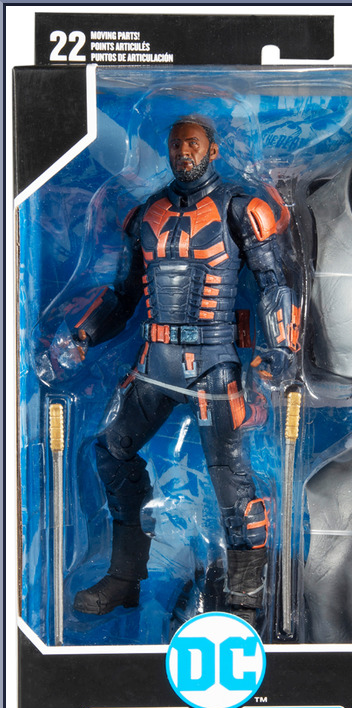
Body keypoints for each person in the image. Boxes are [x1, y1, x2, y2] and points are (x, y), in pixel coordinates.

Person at [71, 115, 300, 627]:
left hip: (212, 364)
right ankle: (125, 578)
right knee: (111, 451)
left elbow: (275, 283)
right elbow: (123, 297)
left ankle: (246, 601)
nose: (183, 153)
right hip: (155, 363)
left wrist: (282, 348)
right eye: (176, 145)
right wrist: (84, 336)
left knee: (232, 484)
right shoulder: (144, 215)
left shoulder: (240, 208)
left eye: (192, 144)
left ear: (212, 149)